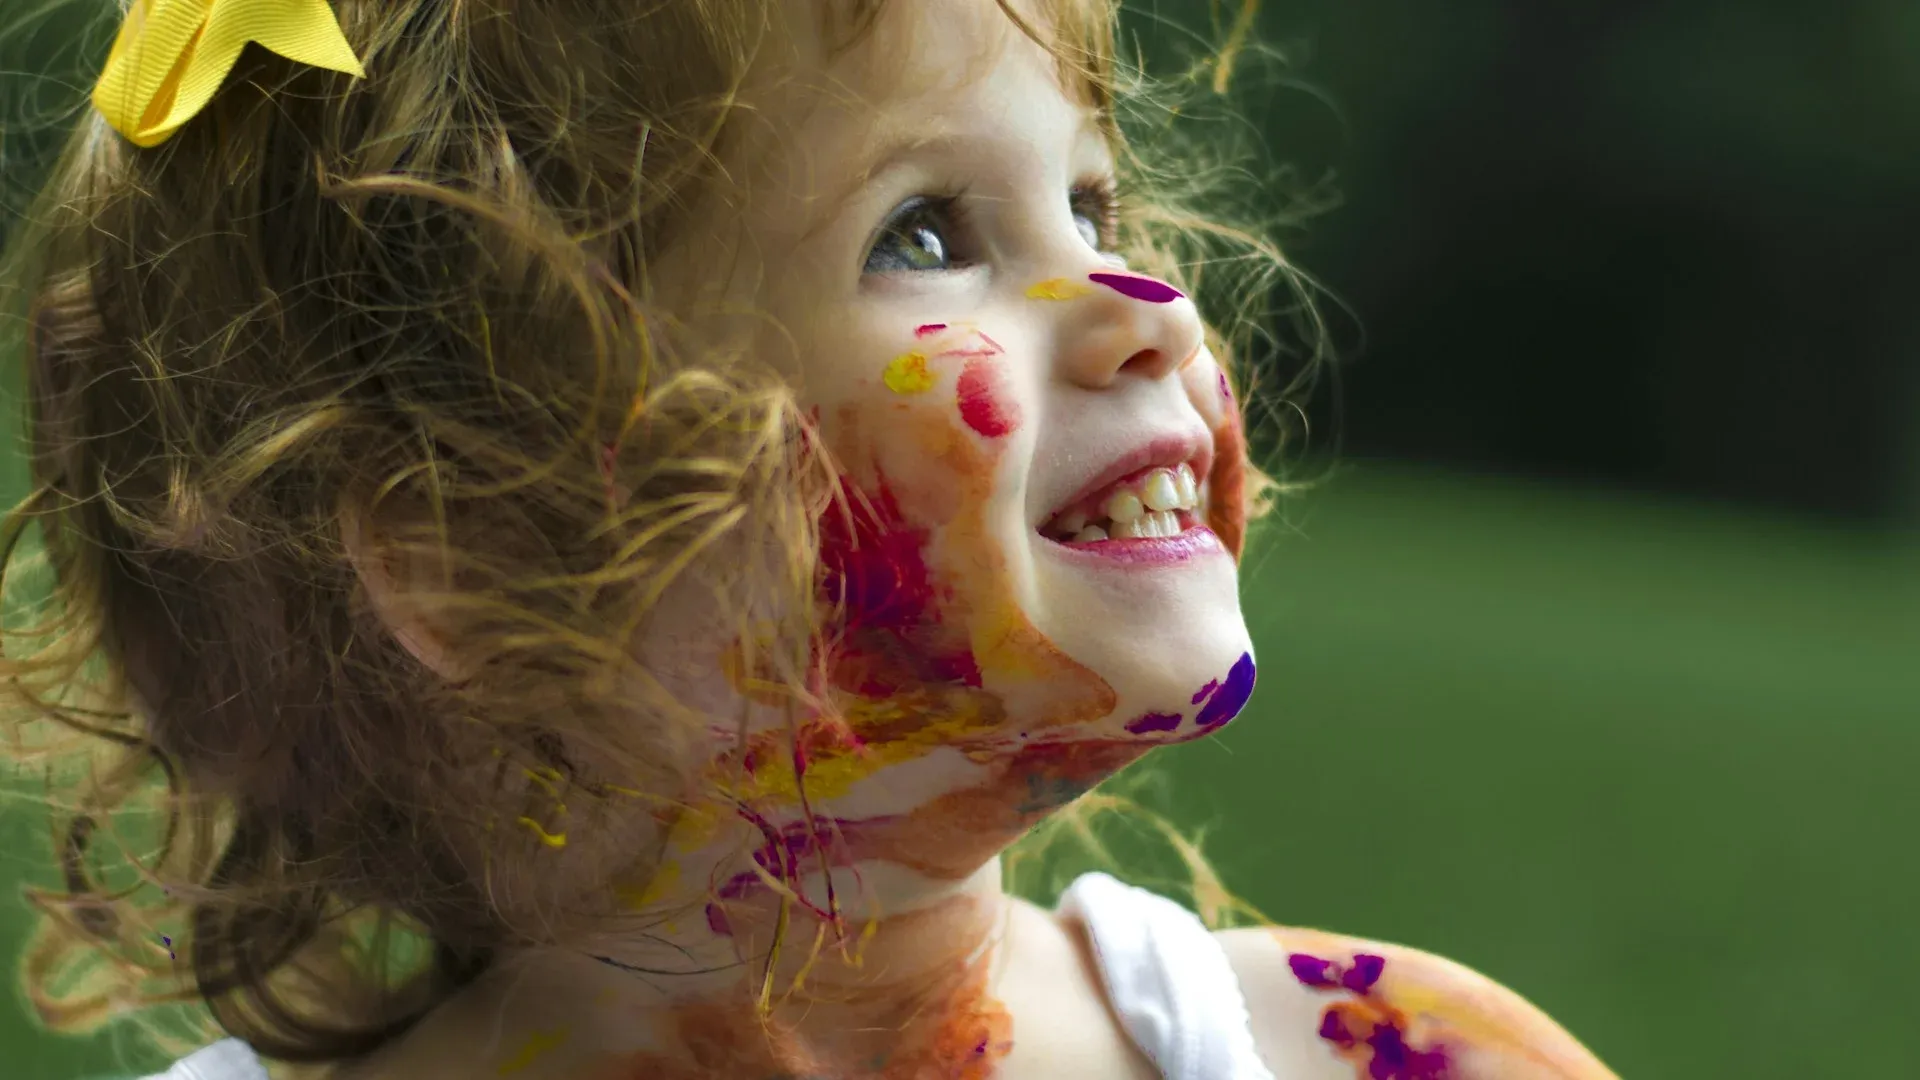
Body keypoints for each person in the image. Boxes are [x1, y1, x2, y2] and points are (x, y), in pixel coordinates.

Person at [0, 0, 1621, 1077]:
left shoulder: (1375, 1058)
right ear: (478, 553)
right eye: (927, 235)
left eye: (1094, 208)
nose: (1147, 311)